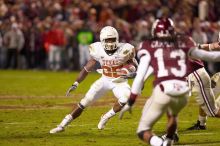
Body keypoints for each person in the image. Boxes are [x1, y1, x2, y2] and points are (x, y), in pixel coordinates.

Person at [120, 18, 220, 146]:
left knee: (212, 111)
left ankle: (172, 134)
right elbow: (198, 49)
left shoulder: (157, 45)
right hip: (180, 79)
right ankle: (172, 135)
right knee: (162, 103)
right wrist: (211, 46)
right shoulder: (181, 40)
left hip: (195, 75)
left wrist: (137, 84)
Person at [49, 26, 137, 134]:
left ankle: (105, 117)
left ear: (117, 39)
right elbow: (87, 68)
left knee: (126, 98)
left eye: (112, 39)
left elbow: (133, 66)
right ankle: (62, 125)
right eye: (107, 40)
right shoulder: (97, 49)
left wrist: (131, 72)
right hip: (105, 79)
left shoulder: (126, 49)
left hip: (119, 81)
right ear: (102, 40)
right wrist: (76, 83)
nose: (110, 42)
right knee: (85, 101)